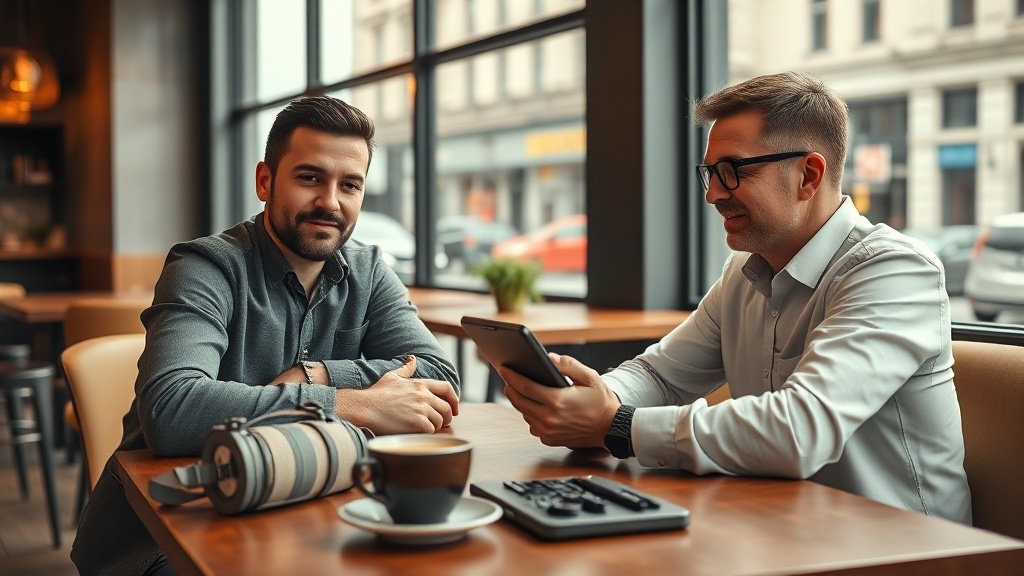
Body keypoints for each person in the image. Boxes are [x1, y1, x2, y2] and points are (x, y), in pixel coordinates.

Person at [501, 71, 971, 524]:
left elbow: (798, 431)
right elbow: (661, 376)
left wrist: (615, 425)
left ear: (808, 175)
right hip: (784, 527)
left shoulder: (893, 270)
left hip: (905, 550)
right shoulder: (744, 273)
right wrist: (589, 400)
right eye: (710, 173)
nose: (713, 196)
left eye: (731, 171)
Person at [71, 96, 461, 575]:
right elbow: (171, 410)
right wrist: (349, 403)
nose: (330, 202)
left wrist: (315, 375)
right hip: (169, 530)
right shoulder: (205, 266)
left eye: (350, 185)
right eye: (310, 177)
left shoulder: (370, 269)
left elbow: (439, 375)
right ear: (265, 180)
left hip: (308, 505)